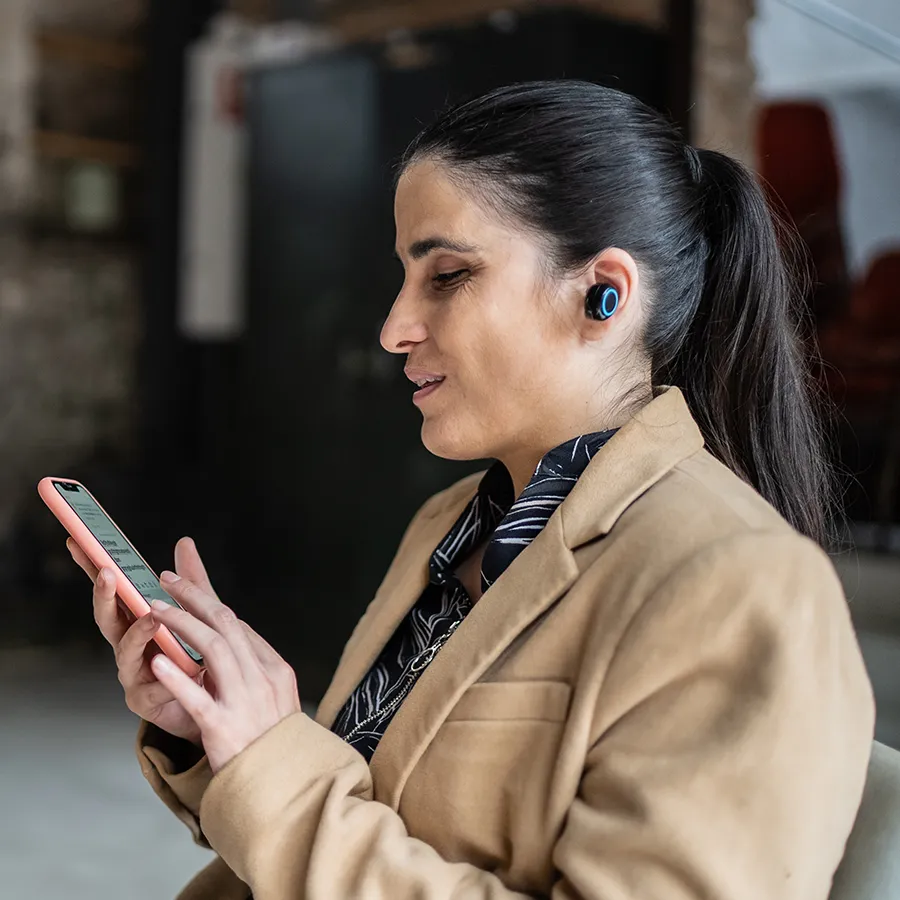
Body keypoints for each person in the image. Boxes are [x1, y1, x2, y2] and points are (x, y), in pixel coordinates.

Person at [69, 81, 874, 900]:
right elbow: (368, 806)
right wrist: (216, 733)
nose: (393, 328)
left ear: (605, 295)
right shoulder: (448, 524)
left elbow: (315, 813)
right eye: (405, 277)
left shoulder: (744, 587)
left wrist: (274, 758)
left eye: (447, 275)